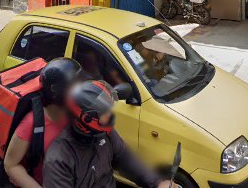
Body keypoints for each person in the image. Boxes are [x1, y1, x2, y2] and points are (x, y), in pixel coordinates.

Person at [42, 80, 176, 188]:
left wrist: (158, 183)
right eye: (105, 113)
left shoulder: (105, 134)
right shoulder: (58, 160)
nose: (110, 115)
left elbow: (127, 160)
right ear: (87, 118)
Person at [4, 58, 82, 188]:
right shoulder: (31, 123)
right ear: (57, 92)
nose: (80, 90)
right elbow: (10, 165)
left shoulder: (77, 113)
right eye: (74, 85)